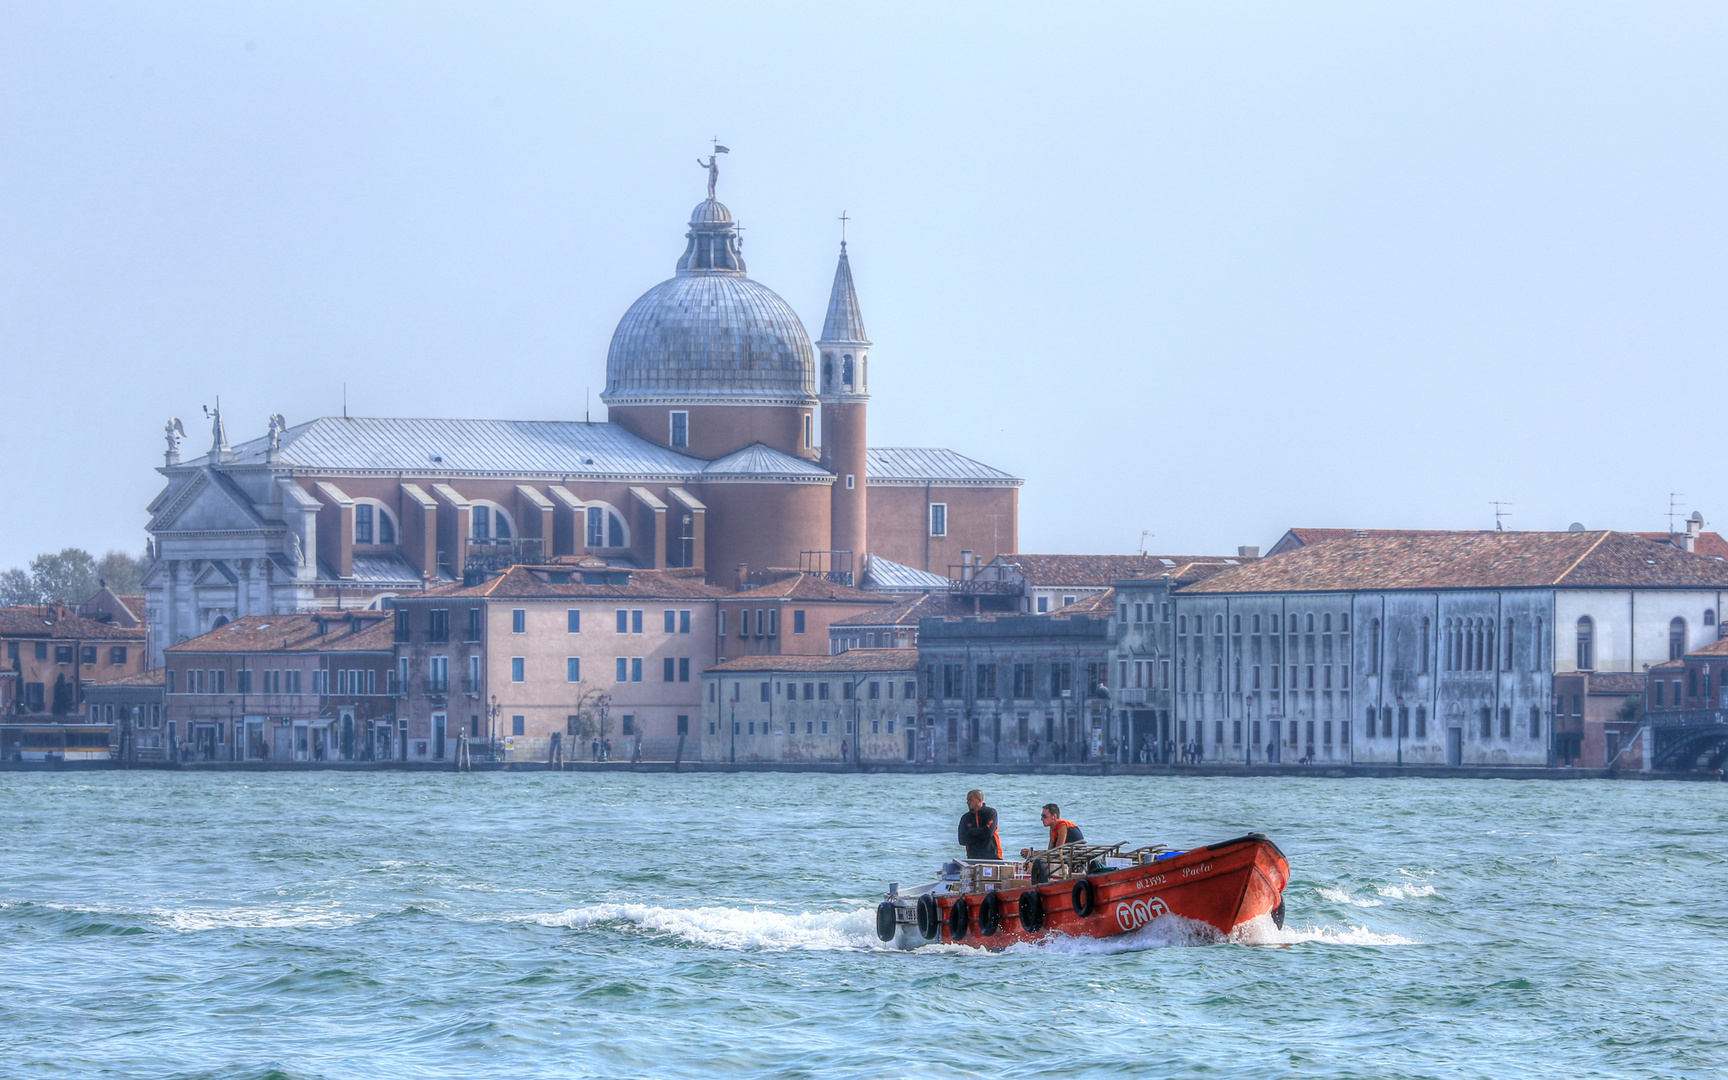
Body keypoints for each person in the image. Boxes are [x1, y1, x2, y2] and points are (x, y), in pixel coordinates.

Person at [957, 789, 1002, 860]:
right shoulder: (965, 817)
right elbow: (962, 840)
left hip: (993, 855)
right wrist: (982, 835)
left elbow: (989, 832)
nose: (967, 802)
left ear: (979, 800)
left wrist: (970, 832)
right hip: (973, 857)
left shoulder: (990, 813)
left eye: (970, 800)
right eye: (967, 800)